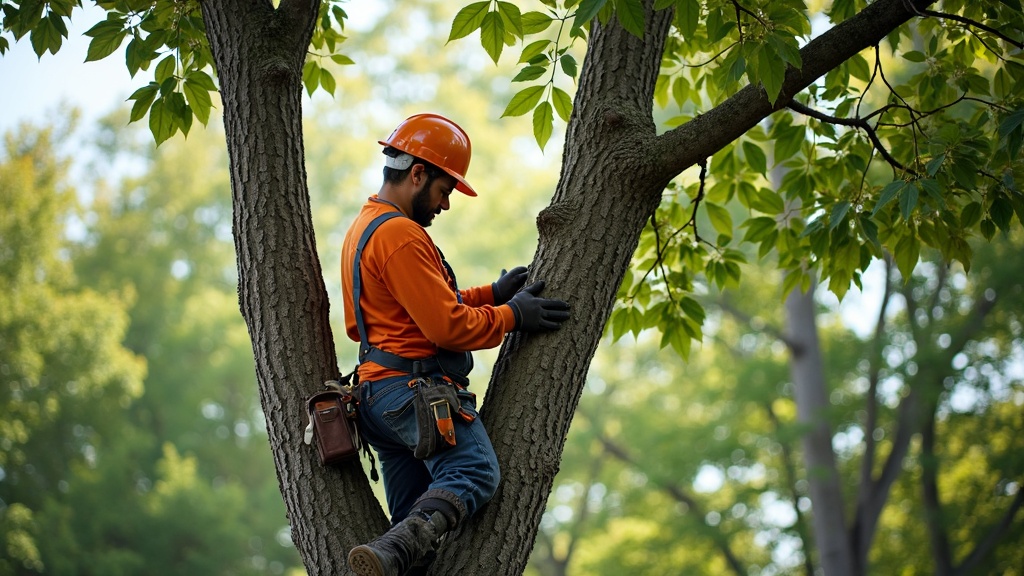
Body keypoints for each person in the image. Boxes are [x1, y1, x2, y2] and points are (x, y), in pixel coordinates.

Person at [341, 113, 571, 576]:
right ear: (418, 173)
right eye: (445, 190)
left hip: (379, 398)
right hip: (410, 394)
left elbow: (418, 306)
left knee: (413, 531)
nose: (445, 205)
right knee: (473, 472)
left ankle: (395, 554)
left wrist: (491, 295)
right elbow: (446, 326)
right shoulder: (400, 235)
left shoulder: (366, 227)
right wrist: (512, 316)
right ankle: (393, 550)